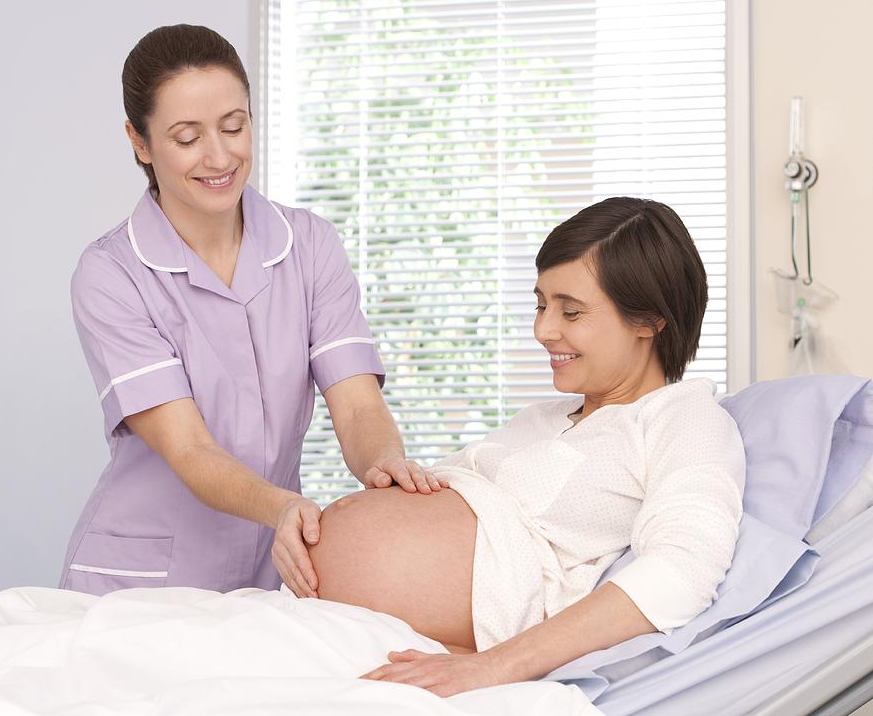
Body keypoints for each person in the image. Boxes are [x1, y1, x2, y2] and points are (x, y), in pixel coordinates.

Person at [59, 24, 445, 598]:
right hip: (139, 583)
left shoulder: (309, 244)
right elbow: (189, 450)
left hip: (267, 573)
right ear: (139, 143)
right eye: (187, 137)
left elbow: (358, 403)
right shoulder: (112, 272)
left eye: (234, 126)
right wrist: (285, 506)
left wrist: (383, 466)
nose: (220, 156)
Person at [304, 197, 747, 697]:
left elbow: (682, 570)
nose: (543, 330)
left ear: (649, 321)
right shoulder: (541, 420)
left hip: (400, 653)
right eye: (541, 304)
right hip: (322, 618)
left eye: (571, 311)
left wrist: (492, 667)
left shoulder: (681, 417)